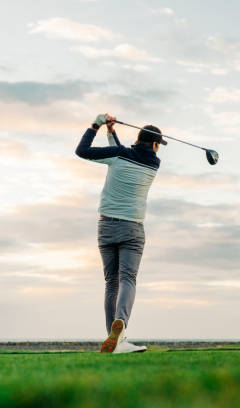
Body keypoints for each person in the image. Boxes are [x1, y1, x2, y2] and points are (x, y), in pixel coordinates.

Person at [75, 113, 167, 354]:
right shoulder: (153, 164)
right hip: (132, 228)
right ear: (155, 145)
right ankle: (121, 326)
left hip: (105, 227)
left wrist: (96, 125)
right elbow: (124, 153)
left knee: (111, 282)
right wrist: (110, 132)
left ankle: (114, 339)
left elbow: (82, 151)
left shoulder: (118, 156)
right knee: (128, 279)